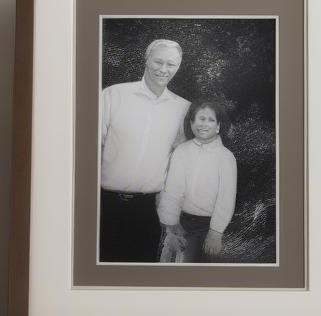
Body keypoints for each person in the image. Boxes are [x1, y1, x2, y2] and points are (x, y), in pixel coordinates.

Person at [100, 39, 191, 263]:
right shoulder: (113, 95)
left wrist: (170, 220)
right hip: (102, 205)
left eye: (171, 64)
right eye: (158, 61)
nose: (163, 69)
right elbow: (88, 150)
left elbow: (177, 166)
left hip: (146, 212)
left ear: (178, 67)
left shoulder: (183, 109)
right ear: (146, 59)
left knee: (139, 278)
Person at [158, 100, 237, 263]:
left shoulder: (225, 157)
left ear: (218, 126)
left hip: (207, 226)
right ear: (192, 123)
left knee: (190, 269)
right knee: (166, 264)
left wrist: (216, 232)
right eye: (200, 119)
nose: (204, 124)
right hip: (179, 221)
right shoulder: (181, 151)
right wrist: (171, 227)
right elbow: (172, 190)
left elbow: (226, 198)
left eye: (210, 119)